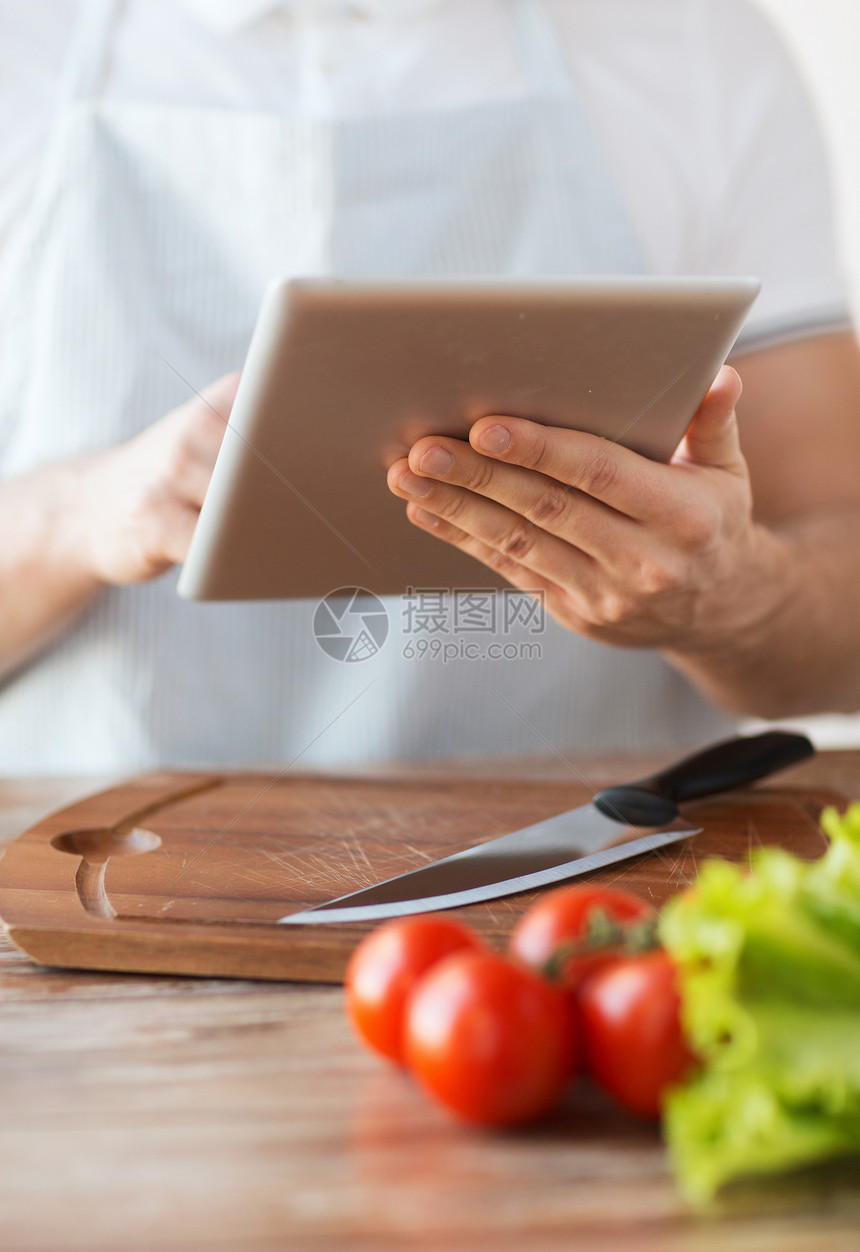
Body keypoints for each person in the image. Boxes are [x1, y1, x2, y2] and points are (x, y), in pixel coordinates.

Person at [1, 0, 859, 775]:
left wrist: (730, 599)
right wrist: (72, 516)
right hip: (83, 892)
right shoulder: (24, 48)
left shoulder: (694, 48)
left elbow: (845, 617)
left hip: (588, 898)